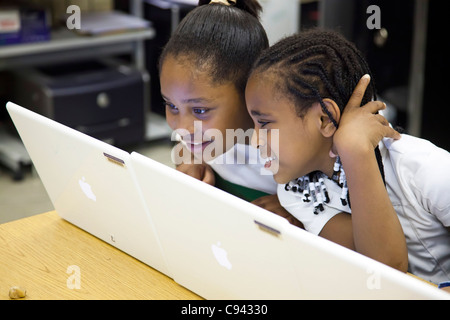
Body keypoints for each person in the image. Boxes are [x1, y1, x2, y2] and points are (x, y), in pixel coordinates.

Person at [247, 28, 448, 280]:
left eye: (264, 124)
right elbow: (380, 270)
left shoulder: (423, 167)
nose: (255, 141)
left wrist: (354, 148)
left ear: (324, 118)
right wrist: (356, 154)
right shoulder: (296, 191)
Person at [158, 0, 301, 225]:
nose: (183, 128)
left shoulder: (294, 146)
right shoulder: (204, 135)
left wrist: (301, 208)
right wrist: (191, 160)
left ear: (250, 92)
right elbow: (181, 144)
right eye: (172, 105)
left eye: (200, 110)